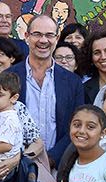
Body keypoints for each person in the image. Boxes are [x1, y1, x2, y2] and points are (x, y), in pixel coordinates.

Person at [11, 15, 84, 167]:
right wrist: (22, 161)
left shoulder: (73, 82)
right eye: (37, 34)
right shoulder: (8, 77)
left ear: (57, 38)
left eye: (49, 35)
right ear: (26, 37)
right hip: (17, 167)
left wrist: (50, 159)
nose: (43, 40)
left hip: (59, 166)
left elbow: (76, 125)